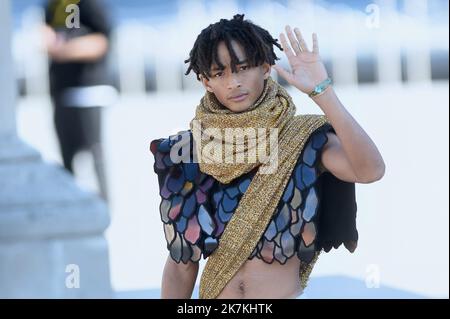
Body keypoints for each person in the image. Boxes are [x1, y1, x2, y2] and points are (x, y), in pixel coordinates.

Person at [150, 14, 385, 299]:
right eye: (219, 73)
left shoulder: (304, 137)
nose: (234, 82)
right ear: (205, 82)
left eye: (243, 68)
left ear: (265, 68)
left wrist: (323, 92)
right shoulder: (187, 152)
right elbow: (180, 265)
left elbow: (370, 171)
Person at [43, 0, 114, 202]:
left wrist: (65, 50)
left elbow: (102, 41)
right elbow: (45, 32)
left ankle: (104, 205)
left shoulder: (90, 4)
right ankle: (71, 203)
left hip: (88, 89)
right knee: (66, 156)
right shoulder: (54, 4)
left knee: (95, 153)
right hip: (61, 89)